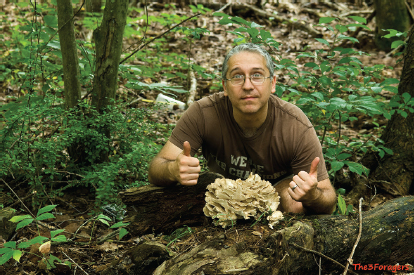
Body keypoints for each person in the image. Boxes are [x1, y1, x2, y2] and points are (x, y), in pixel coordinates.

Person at [148, 43, 336, 214]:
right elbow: (157, 167)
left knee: (294, 202)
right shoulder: (203, 113)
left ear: (273, 83)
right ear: (224, 86)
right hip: (223, 199)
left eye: (257, 75)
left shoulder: (295, 126)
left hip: (278, 195)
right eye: (237, 76)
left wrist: (313, 195)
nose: (247, 86)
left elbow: (329, 199)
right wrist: (173, 169)